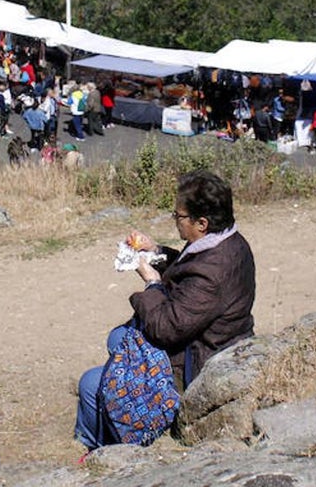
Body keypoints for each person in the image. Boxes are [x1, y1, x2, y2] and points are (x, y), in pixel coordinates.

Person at [74, 170, 256, 452]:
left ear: (202, 223)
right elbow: (189, 271)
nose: (175, 221)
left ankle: (102, 448)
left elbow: (167, 328)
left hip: (197, 360)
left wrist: (152, 283)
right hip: (204, 340)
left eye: (178, 216)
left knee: (91, 382)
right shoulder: (225, 242)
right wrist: (154, 251)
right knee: (116, 339)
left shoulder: (215, 269)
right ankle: (115, 408)